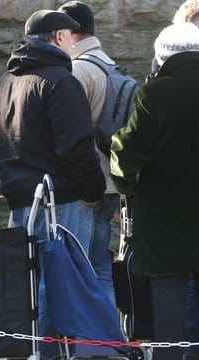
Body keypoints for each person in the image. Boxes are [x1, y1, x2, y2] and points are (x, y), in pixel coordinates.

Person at [0, 10, 105, 357]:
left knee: (25, 287)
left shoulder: (3, 83)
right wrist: (93, 191)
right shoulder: (60, 81)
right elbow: (77, 146)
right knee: (63, 287)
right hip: (63, 199)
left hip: (21, 198)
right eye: (71, 36)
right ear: (58, 38)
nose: (74, 43)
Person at [110, 22, 199, 360]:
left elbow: (127, 155)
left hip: (165, 224)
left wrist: (127, 183)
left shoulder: (157, 94)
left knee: (169, 313)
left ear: (162, 56)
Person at [58, 0, 119, 308]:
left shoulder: (78, 70)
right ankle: (109, 344)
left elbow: (73, 133)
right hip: (112, 183)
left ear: (71, 32)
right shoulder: (110, 64)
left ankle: (88, 344)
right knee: (102, 269)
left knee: (81, 270)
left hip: (87, 187)